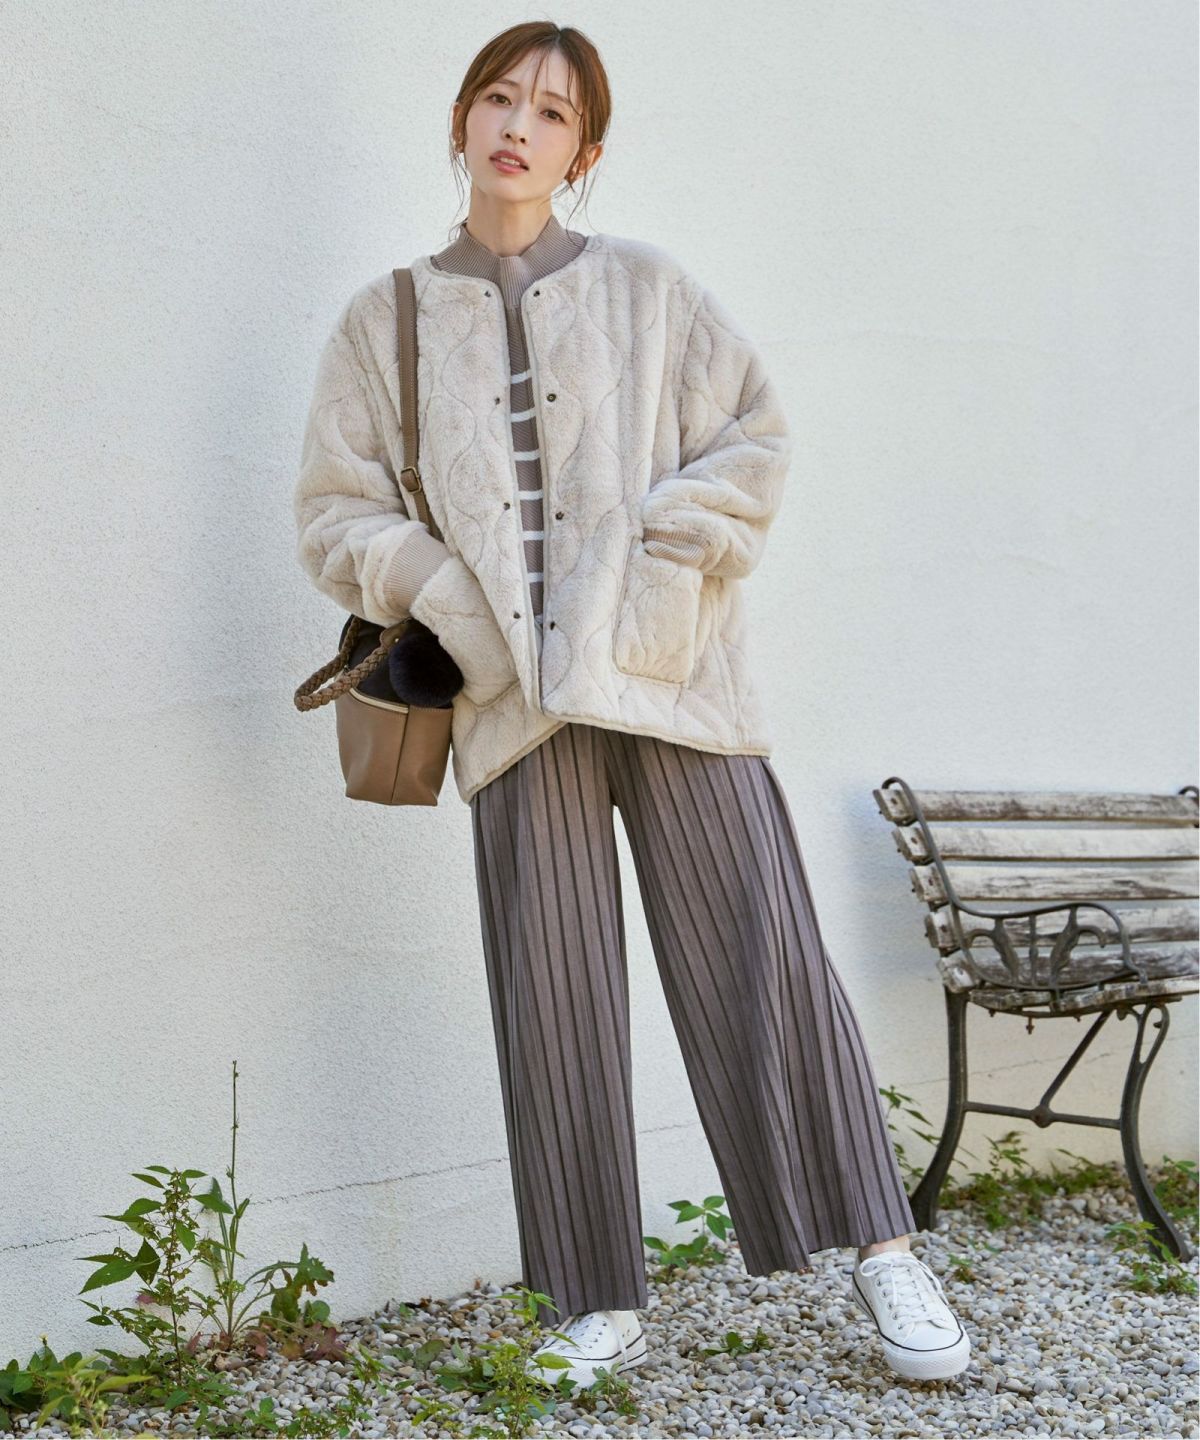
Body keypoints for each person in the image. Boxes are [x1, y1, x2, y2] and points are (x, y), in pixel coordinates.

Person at [294, 20, 971, 1390]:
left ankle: (885, 1252)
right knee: (553, 997)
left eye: (552, 112)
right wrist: (445, 592)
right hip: (509, 702)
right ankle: (594, 1299)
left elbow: (752, 438)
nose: (519, 127)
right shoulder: (386, 320)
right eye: (500, 98)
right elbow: (336, 510)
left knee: (763, 960)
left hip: (671, 682)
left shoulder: (650, 290)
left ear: (584, 150)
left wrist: (664, 568)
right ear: (461, 119)